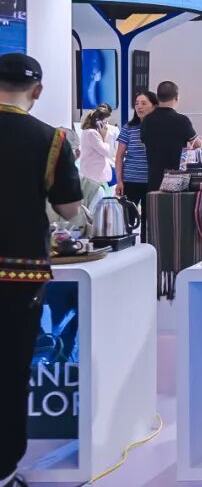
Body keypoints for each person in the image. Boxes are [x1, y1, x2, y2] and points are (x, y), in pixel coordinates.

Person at [0, 53, 82, 487]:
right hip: (19, 272)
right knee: (10, 370)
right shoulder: (50, 140)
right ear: (38, 90)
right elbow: (68, 208)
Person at [141, 81, 202, 191]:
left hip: (154, 177)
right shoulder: (182, 120)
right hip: (176, 177)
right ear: (176, 97)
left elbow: (144, 141)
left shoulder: (147, 120)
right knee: (174, 202)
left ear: (158, 97)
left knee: (154, 201)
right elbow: (197, 144)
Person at [116, 91, 158, 227]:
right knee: (127, 220)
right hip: (131, 180)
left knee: (151, 221)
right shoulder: (129, 128)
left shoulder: (160, 128)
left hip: (152, 182)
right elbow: (119, 156)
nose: (139, 107)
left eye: (144, 103)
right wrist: (119, 181)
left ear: (154, 106)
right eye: (137, 104)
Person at [78, 107, 115, 185]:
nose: (106, 126)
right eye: (105, 122)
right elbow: (106, 151)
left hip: (94, 175)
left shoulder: (88, 132)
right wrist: (104, 137)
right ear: (98, 122)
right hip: (94, 176)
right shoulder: (92, 133)